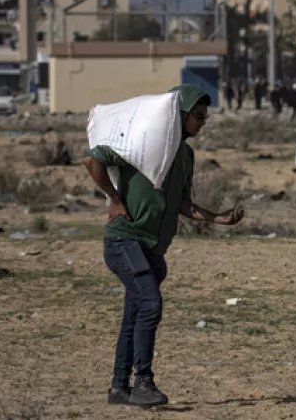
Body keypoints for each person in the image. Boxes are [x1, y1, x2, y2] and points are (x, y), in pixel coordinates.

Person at [83, 85, 245, 407]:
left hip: (152, 249)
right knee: (150, 304)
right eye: (197, 116)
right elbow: (93, 160)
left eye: (205, 118)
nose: (202, 123)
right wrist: (114, 199)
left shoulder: (185, 155)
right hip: (124, 239)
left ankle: (119, 388)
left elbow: (183, 203)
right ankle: (143, 382)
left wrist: (217, 219)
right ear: (180, 115)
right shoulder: (143, 143)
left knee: (135, 314)